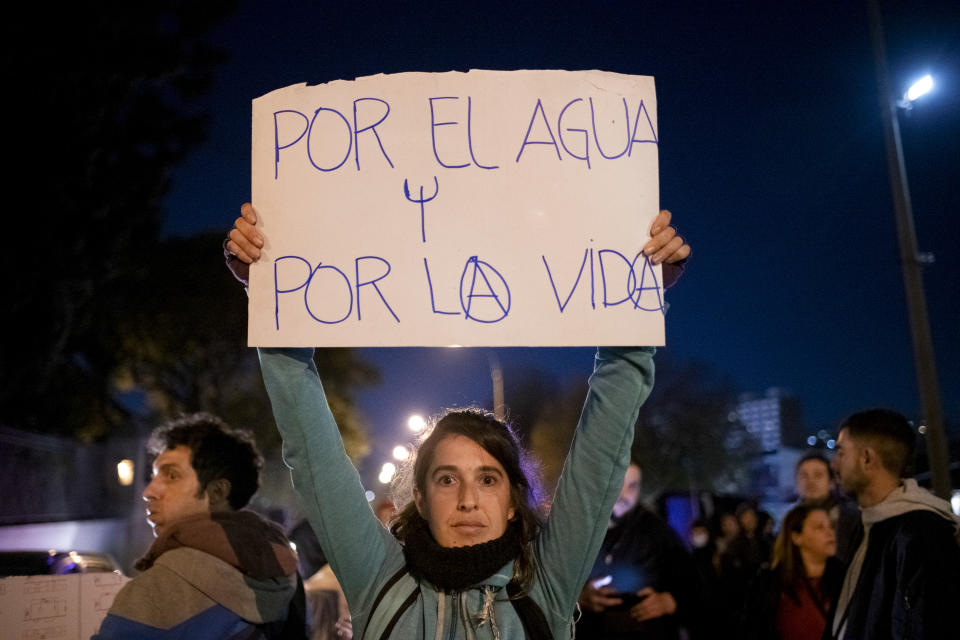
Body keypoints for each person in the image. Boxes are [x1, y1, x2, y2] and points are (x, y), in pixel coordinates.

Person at [227, 204, 691, 640]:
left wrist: (641, 300)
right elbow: (312, 450)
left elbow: (603, 447)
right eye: (447, 479)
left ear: (513, 500)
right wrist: (272, 293)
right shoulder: (378, 579)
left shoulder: (546, 583)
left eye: (488, 479)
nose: (468, 500)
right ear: (421, 500)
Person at [95, 413, 306, 639]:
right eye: (154, 476)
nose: (149, 492)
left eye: (171, 476)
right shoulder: (283, 568)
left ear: (217, 492)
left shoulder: (160, 589)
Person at [826, 408, 960, 639]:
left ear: (867, 458)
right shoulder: (871, 523)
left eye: (840, 452)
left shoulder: (922, 534)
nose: (834, 464)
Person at [576, 461, 705, 640]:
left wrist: (670, 602)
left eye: (632, 486)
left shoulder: (657, 531)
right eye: (618, 483)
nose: (623, 494)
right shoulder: (581, 529)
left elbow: (693, 584)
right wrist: (580, 599)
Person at [740, 504, 843, 640]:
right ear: (796, 537)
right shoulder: (771, 585)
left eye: (831, 526)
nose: (830, 533)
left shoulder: (845, 579)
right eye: (819, 527)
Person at [793, 451, 860, 565]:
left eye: (818, 475)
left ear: (831, 482)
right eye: (804, 475)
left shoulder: (852, 517)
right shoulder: (792, 521)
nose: (810, 482)